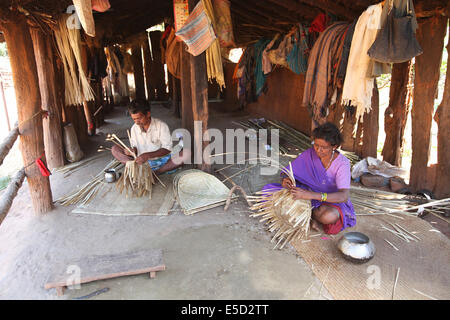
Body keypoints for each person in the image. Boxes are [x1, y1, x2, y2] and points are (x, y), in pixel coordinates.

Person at [262, 122, 356, 234]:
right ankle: (307, 215)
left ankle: (308, 215)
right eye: (316, 145)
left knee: (328, 216)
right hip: (305, 191)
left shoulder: (342, 164)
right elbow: (289, 172)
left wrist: (310, 195)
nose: (318, 150)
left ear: (334, 146)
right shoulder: (310, 153)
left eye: (324, 147)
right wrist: (286, 180)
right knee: (268, 192)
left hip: (328, 199)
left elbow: (343, 196)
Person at [111, 100, 190, 175]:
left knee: (185, 154)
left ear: (148, 114)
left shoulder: (161, 126)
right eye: (134, 119)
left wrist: (148, 155)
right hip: (139, 162)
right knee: (115, 149)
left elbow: (167, 149)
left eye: (139, 118)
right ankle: (133, 167)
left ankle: (157, 172)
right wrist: (131, 151)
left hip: (161, 161)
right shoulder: (134, 128)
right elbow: (135, 147)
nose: (137, 122)